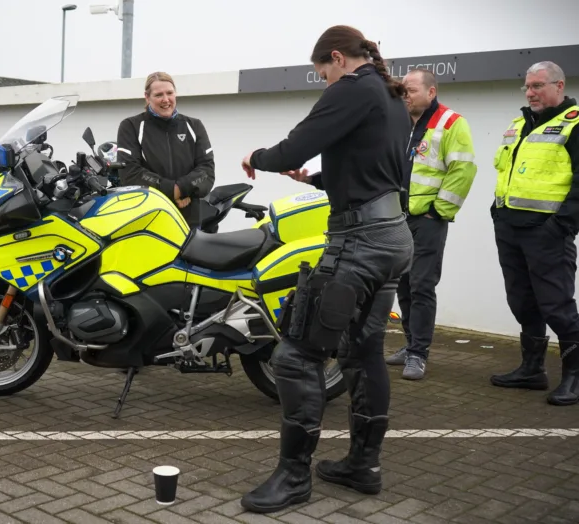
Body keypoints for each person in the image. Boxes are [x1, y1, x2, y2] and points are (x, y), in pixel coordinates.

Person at [238, 25, 414, 513]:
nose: (324, 82)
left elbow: (294, 145)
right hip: (392, 238)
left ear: (337, 58)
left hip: (358, 245)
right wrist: (315, 179)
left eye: (322, 73)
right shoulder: (391, 96)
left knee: (296, 355)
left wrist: (259, 158)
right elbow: (380, 171)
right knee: (362, 351)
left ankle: (293, 479)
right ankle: (364, 465)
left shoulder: (353, 89)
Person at [489, 61, 579, 406]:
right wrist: (497, 214)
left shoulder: (574, 125)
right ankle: (532, 369)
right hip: (510, 229)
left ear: (559, 85)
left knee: (556, 306)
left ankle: (574, 375)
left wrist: (561, 226)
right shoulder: (520, 124)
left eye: (538, 86)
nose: (530, 92)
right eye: (527, 86)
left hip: (547, 233)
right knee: (522, 302)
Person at [385, 68, 477, 380]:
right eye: (402, 90)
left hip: (427, 221)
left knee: (423, 285)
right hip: (397, 218)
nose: (404, 95)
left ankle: (418, 354)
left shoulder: (451, 122)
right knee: (404, 285)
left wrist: (438, 212)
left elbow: (462, 170)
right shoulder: (399, 121)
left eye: (409, 90)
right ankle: (410, 345)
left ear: (431, 92)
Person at [116, 71, 215, 229]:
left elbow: (207, 170)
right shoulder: (131, 126)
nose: (166, 99)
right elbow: (130, 173)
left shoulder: (194, 125)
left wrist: (182, 188)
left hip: (189, 218)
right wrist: (173, 191)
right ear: (147, 97)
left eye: (170, 93)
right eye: (158, 95)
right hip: (148, 218)